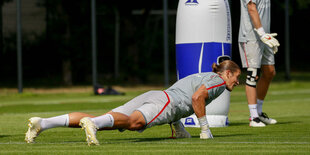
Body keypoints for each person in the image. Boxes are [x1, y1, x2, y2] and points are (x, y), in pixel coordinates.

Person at [25, 60, 241, 145]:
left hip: (157, 96)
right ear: (227, 73)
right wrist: (205, 130)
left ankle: (43, 123)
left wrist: (178, 127)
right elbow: (194, 99)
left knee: (107, 119)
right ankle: (94, 125)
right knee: (132, 122)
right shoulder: (218, 82)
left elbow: (182, 95)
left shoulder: (201, 75)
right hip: (166, 102)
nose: (237, 81)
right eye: (236, 76)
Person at [238, 0, 280, 127]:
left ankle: (259, 113)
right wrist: (261, 33)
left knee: (269, 72)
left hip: (264, 36)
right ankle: (253, 117)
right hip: (251, 36)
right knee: (252, 74)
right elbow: (251, 8)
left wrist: (264, 35)